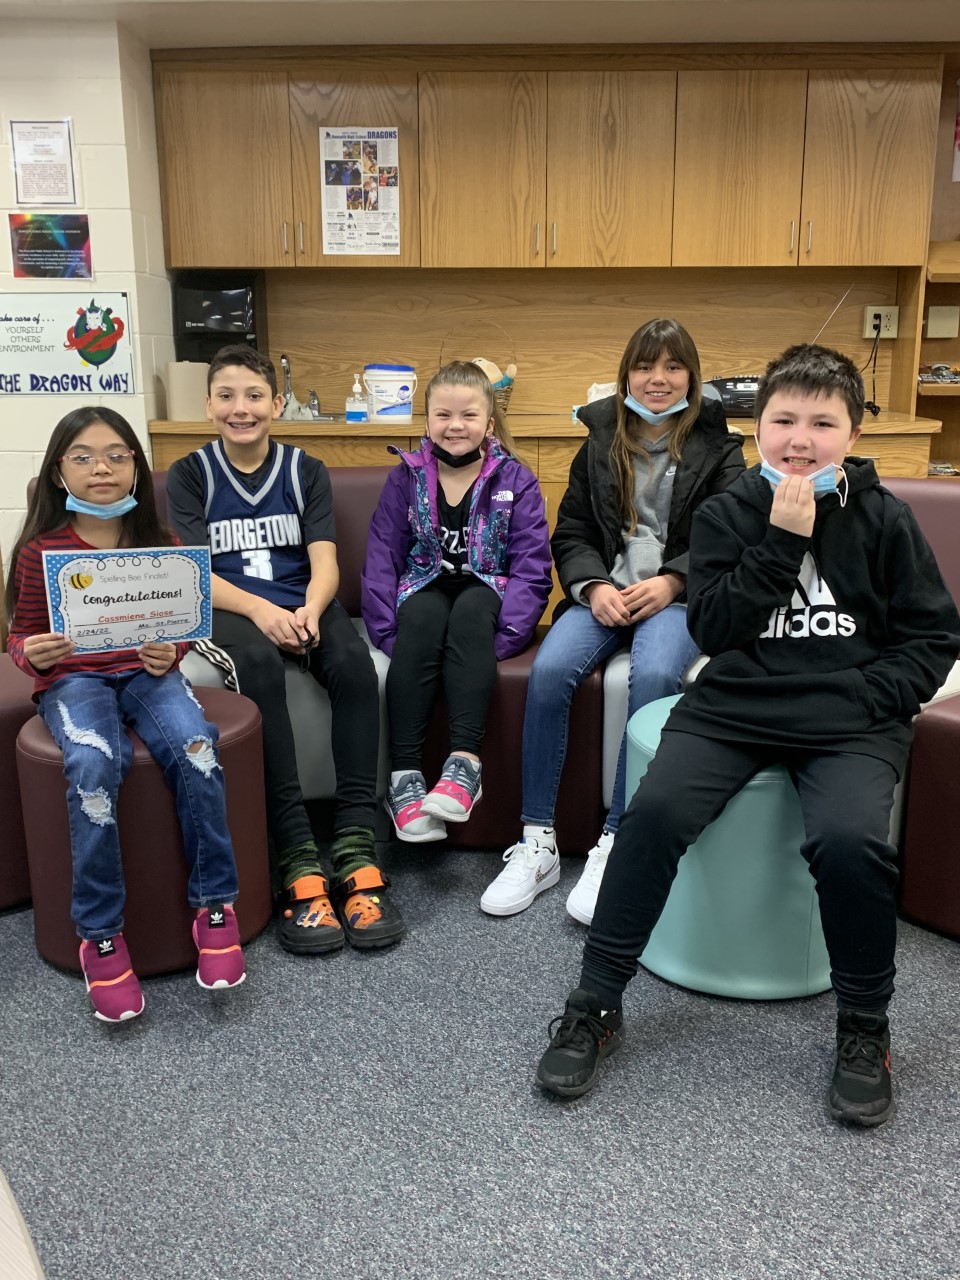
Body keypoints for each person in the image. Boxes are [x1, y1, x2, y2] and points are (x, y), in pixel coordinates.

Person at [535, 343, 960, 1127]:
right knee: (652, 814)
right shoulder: (731, 510)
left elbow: (933, 637)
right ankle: (596, 1003)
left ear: (854, 432)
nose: (801, 439)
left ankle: (865, 1026)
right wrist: (783, 541)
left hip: (849, 722)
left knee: (849, 842)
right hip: (735, 705)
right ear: (758, 427)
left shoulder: (885, 517)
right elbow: (718, 627)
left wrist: (872, 696)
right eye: (784, 420)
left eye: (822, 423)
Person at [480, 319, 744, 919]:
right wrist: (592, 584)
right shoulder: (599, 440)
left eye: (673, 367)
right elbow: (571, 529)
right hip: (604, 593)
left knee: (652, 681)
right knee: (549, 672)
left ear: (691, 378)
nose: (658, 379)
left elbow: (728, 535)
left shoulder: (721, 449)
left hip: (676, 598)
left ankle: (616, 841)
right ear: (627, 374)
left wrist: (676, 578)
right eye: (645, 366)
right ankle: (537, 841)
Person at [6, 407, 246, 1022]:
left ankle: (215, 905)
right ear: (59, 471)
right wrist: (31, 653)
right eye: (82, 457)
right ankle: (100, 934)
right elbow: (22, 635)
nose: (101, 468)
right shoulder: (40, 552)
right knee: (92, 763)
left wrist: (175, 650)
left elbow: (184, 628)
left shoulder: (161, 544)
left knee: (196, 746)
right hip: (75, 678)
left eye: (116, 455)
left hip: (148, 673)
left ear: (136, 466)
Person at [166, 344, 404, 954]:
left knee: (354, 666)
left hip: (302, 604)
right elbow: (195, 571)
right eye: (226, 396)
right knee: (258, 669)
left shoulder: (305, 469)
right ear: (209, 404)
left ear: (276, 403)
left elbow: (325, 562)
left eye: (253, 396)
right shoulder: (191, 474)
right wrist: (262, 611)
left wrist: (310, 609)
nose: (240, 408)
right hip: (231, 613)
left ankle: (355, 840)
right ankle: (295, 850)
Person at [362, 361, 553, 841]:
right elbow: (383, 552)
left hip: (487, 585)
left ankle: (464, 766)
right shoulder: (405, 477)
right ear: (426, 422)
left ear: (488, 423)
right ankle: (405, 779)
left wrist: (512, 633)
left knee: (470, 614)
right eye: (443, 415)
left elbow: (531, 561)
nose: (455, 426)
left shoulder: (516, 479)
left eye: (468, 416)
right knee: (421, 621)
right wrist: (386, 630)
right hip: (423, 582)